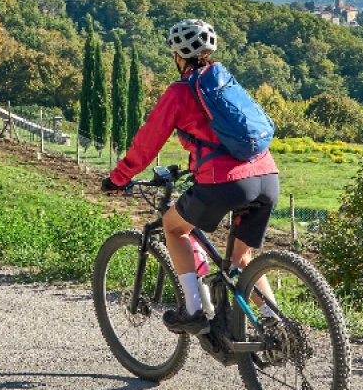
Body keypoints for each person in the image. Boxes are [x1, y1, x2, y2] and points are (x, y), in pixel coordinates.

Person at [102, 19, 279, 335]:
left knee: (173, 227)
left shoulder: (180, 92)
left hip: (225, 182)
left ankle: (194, 309)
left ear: (177, 56)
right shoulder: (225, 80)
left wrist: (119, 177)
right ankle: (277, 327)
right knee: (241, 259)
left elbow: (147, 143)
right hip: (267, 174)